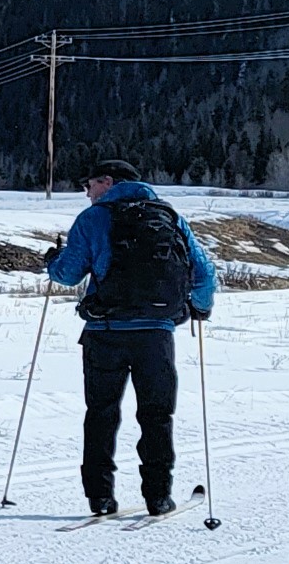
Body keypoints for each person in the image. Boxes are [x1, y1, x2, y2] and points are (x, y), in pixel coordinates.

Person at [46, 160, 218, 517]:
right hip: (156, 333)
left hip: (105, 332)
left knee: (101, 414)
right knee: (156, 415)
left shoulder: (93, 219)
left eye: (89, 185)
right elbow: (204, 273)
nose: (87, 193)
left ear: (107, 182)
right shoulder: (170, 217)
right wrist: (198, 308)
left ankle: (101, 497)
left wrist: (52, 261)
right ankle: (158, 496)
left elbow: (67, 273)